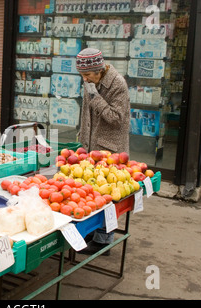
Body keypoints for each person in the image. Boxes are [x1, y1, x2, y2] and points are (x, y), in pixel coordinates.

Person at [75, 48, 130, 255]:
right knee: (91, 192)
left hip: (111, 147)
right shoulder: (90, 81)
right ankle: (91, 232)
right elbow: (87, 113)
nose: (85, 78)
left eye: (88, 74)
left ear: (99, 69)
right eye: (82, 75)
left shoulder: (118, 85)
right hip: (92, 144)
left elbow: (116, 118)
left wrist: (95, 96)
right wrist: (83, 138)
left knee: (108, 194)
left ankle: (104, 240)